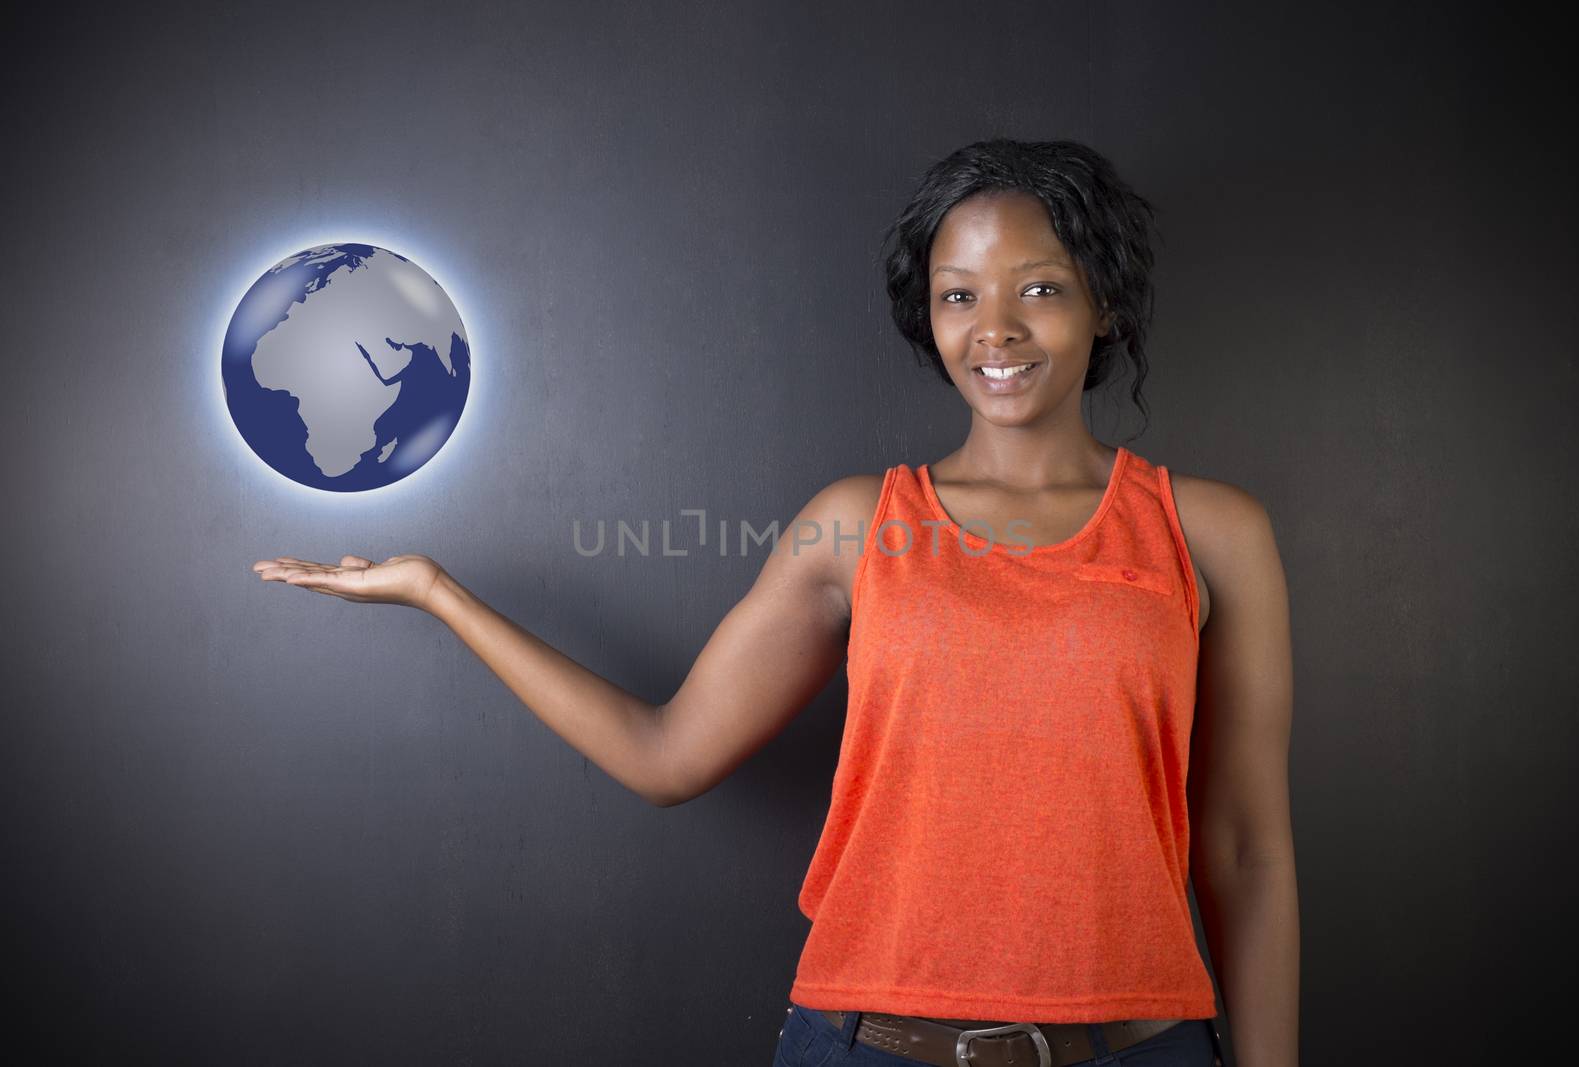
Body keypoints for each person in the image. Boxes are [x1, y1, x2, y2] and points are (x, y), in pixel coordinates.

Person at [253, 137, 1298, 1067]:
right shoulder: (854, 522)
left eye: (1038, 289)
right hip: (867, 1044)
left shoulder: (1206, 529)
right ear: (925, 314)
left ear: (1101, 301)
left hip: (1141, 1045)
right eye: (957, 293)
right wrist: (439, 593)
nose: (995, 328)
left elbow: (1246, 847)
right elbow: (666, 755)